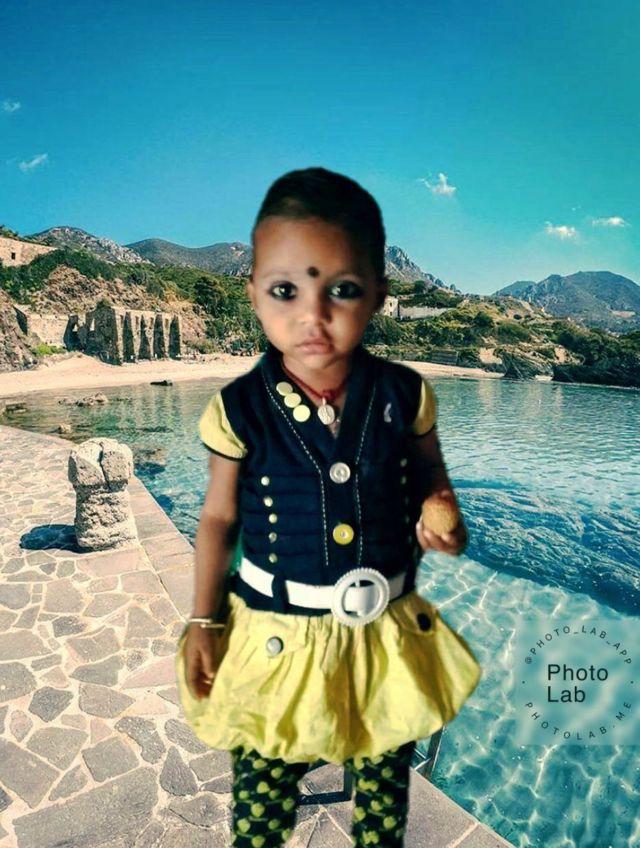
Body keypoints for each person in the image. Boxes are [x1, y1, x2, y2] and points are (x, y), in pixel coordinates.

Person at [175, 167, 482, 847]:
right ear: (255, 293)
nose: (311, 315)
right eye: (285, 290)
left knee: (382, 809)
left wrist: (442, 509)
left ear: (378, 295)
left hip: (385, 639)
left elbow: (430, 474)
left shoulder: (406, 395)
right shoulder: (238, 408)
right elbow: (220, 517)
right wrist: (204, 617)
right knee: (260, 810)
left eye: (341, 289)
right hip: (274, 637)